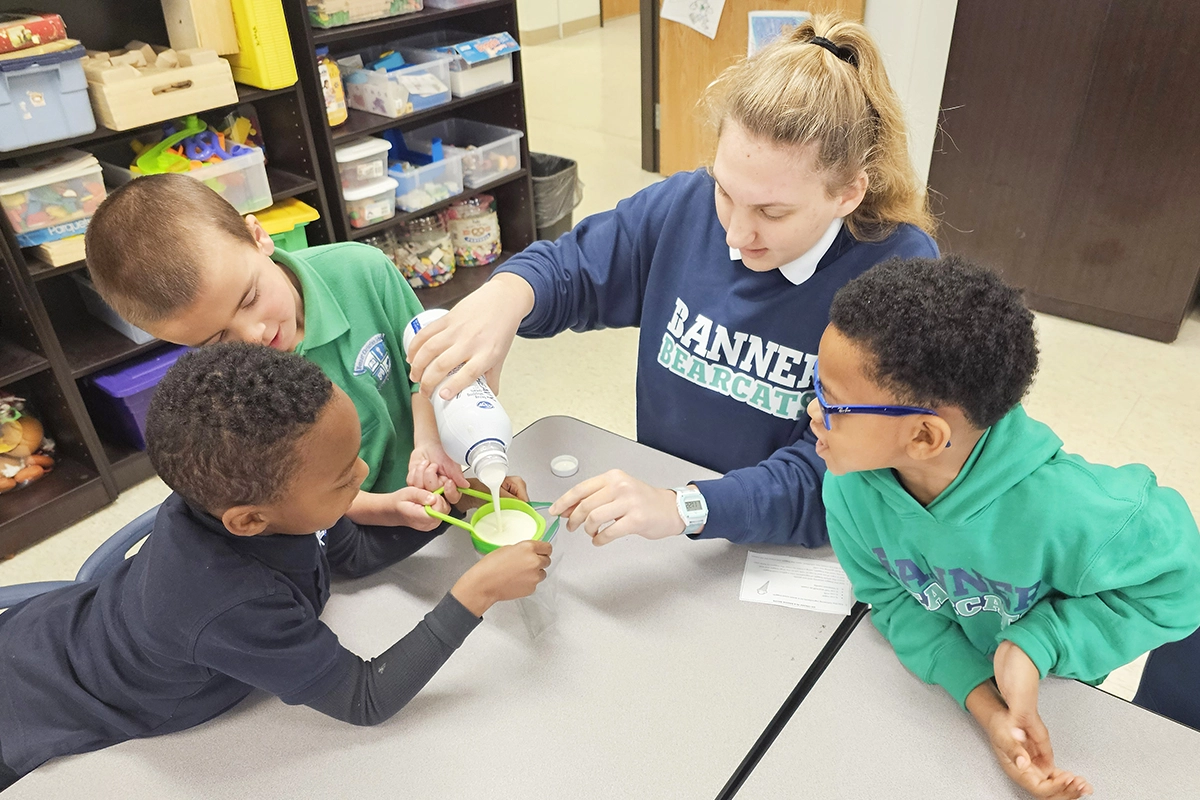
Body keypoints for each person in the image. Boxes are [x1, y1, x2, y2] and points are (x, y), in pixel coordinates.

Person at [406, 14, 937, 548]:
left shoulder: (897, 275)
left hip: (777, 542)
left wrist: (687, 505)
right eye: (726, 192)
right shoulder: (684, 206)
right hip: (670, 513)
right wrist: (509, 294)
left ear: (848, 193)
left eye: (773, 213)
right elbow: (573, 270)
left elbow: (841, 481)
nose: (735, 235)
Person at [0, 344, 552, 790]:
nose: (364, 473)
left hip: (60, 630)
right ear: (247, 521)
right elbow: (365, 698)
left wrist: (456, 507)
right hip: (35, 702)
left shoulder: (253, 503)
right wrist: (472, 596)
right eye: (343, 478)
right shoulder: (229, 604)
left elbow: (347, 554)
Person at [810, 256, 1200, 799]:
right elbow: (892, 602)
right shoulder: (851, 486)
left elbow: (1183, 583)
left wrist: (1037, 644)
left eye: (833, 402)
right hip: (973, 706)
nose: (812, 409)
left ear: (923, 437)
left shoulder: (1070, 509)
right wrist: (989, 711)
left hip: (1069, 699)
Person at [85, 175, 488, 530]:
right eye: (215, 338)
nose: (254, 336)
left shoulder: (361, 270)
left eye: (250, 298)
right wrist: (382, 508)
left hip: (437, 483)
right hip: (342, 525)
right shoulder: (221, 386)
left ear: (258, 236)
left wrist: (430, 443)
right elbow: (287, 499)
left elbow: (429, 370)